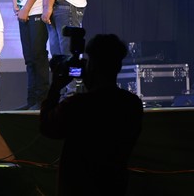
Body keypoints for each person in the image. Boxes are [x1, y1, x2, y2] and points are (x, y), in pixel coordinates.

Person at [40, 33, 144, 195]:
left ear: (93, 65)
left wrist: (55, 87)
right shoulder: (132, 104)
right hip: (114, 186)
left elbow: (47, 127)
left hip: (77, 188)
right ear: (118, 66)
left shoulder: (78, 105)